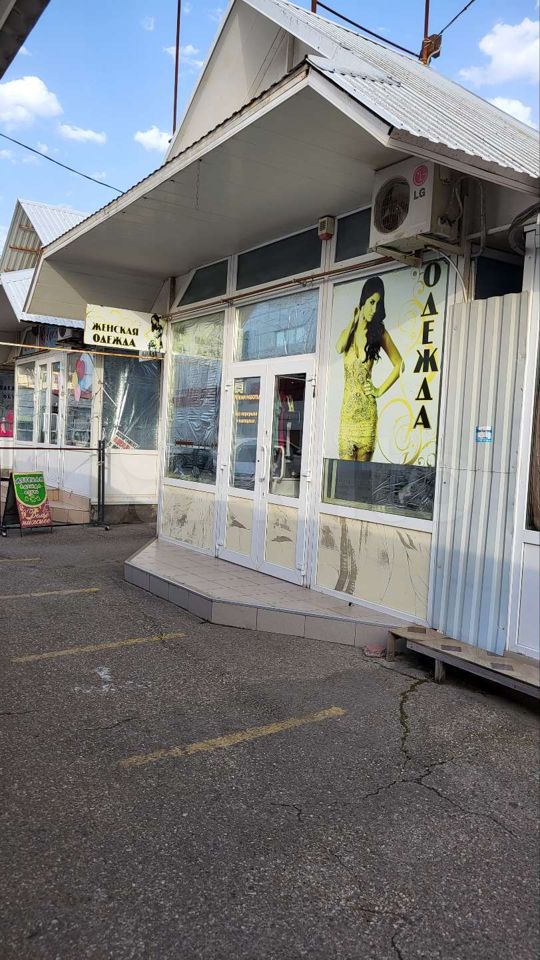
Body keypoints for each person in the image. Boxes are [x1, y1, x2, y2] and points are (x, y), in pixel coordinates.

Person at [336, 275, 403, 462]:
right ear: (363, 301)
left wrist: (378, 390)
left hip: (367, 415)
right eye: (371, 302)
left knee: (361, 475)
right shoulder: (348, 333)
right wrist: (353, 321)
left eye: (378, 304)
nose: (374, 309)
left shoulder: (379, 332)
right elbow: (339, 347)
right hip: (347, 417)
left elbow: (400, 364)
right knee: (345, 473)